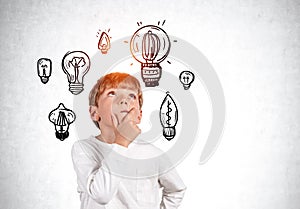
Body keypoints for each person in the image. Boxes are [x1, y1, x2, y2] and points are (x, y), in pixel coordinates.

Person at [71, 72, 186, 209]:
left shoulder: (152, 153)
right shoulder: (84, 149)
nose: (123, 100)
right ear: (94, 113)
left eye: (131, 96)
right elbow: (102, 195)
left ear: (139, 116)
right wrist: (122, 141)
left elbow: (177, 189)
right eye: (112, 93)